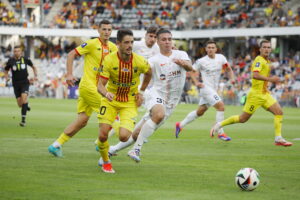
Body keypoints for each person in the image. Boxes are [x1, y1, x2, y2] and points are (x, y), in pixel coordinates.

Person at [117, 28, 192, 163]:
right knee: (159, 114)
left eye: (169, 39)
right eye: (163, 39)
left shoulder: (181, 54)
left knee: (136, 133)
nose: (167, 42)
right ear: (157, 41)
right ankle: (136, 149)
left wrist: (184, 63)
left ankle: (112, 150)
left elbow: (190, 67)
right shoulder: (154, 60)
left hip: (172, 102)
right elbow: (143, 71)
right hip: (156, 94)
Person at [48, 20, 118, 157]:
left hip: (99, 88)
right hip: (89, 86)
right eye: (104, 29)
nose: (106, 32)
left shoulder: (113, 47)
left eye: (109, 29)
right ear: (98, 30)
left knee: (82, 121)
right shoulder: (92, 44)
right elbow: (71, 54)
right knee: (111, 114)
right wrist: (69, 74)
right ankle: (103, 144)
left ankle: (56, 145)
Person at [210, 39, 292, 147]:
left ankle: (278, 138)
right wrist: (271, 79)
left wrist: (266, 86)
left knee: (279, 112)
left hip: (264, 94)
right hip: (255, 96)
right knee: (243, 119)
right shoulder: (259, 60)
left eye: (268, 47)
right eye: (264, 47)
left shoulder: (267, 61)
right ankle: (219, 125)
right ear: (260, 49)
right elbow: (255, 75)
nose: (267, 49)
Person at [96, 29, 152, 173]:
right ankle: (106, 162)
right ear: (118, 43)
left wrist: (142, 91)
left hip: (129, 102)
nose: (130, 45)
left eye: (132, 42)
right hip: (110, 100)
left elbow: (149, 73)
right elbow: (100, 85)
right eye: (126, 42)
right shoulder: (109, 60)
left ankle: (114, 136)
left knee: (123, 137)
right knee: (102, 136)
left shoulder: (139, 61)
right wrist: (106, 93)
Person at [175, 40, 235, 141]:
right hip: (205, 88)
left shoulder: (221, 58)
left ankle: (180, 125)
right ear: (206, 49)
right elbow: (191, 71)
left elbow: (228, 68)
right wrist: (196, 82)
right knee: (221, 107)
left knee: (200, 112)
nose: (211, 49)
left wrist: (232, 79)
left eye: (213, 47)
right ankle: (221, 133)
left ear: (216, 49)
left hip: (213, 90)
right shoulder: (201, 61)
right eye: (209, 48)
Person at [4, 46, 38, 127]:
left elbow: (33, 67)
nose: (16, 52)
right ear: (13, 52)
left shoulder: (25, 59)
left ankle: (23, 121)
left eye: (18, 51)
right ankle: (26, 105)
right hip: (15, 84)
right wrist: (7, 77)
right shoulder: (10, 61)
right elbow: (6, 70)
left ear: (21, 52)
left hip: (24, 83)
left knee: (24, 97)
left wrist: (35, 75)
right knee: (20, 104)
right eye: (15, 51)